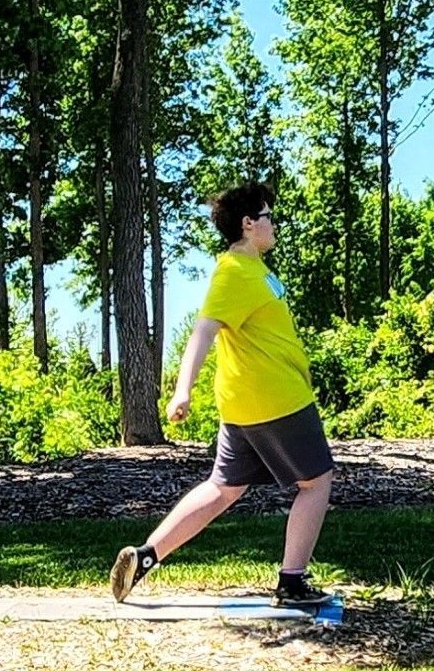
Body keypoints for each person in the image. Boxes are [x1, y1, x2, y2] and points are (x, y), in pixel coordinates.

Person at [108, 181, 336, 608]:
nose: (274, 225)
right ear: (249, 224)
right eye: (268, 217)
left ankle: (145, 556)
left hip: (246, 403)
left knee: (224, 487)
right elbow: (204, 329)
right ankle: (292, 582)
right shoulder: (233, 272)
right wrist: (182, 390)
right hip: (275, 399)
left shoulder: (254, 271)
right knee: (316, 483)